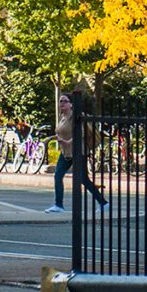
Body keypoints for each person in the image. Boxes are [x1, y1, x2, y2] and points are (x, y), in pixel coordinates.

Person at [47, 86, 107, 214]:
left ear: (71, 104)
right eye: (60, 101)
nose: (61, 103)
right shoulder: (62, 117)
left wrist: (68, 142)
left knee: (83, 179)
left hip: (78, 151)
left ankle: (103, 203)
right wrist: (50, 139)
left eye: (64, 101)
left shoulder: (75, 117)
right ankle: (58, 205)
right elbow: (62, 133)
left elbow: (82, 133)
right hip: (65, 153)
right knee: (58, 176)